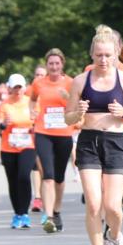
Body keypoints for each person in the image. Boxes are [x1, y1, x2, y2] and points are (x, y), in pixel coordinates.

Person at [66, 25, 123, 245]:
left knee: (112, 206)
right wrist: (77, 112)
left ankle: (116, 235)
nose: (103, 60)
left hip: (117, 142)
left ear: (117, 53)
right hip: (88, 142)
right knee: (93, 204)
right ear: (92, 54)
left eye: (108, 55)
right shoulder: (80, 80)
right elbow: (67, 118)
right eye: (99, 55)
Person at [30, 48, 76, 233]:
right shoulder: (38, 83)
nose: (54, 66)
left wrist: (68, 99)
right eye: (51, 64)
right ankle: (48, 217)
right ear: (47, 65)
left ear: (62, 64)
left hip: (64, 133)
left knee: (59, 178)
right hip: (43, 132)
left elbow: (76, 104)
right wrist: (32, 111)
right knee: (47, 175)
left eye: (57, 63)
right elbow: (32, 100)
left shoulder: (71, 83)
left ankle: (57, 211)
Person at [0, 73, 36, 229]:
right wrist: (3, 125)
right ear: (9, 88)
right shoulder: (5, 105)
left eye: (20, 87)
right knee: (13, 181)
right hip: (8, 147)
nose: (18, 90)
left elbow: (39, 119)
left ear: (24, 87)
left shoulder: (31, 103)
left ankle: (25, 214)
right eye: (15, 87)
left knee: (24, 176)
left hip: (28, 146)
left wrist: (34, 127)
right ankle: (17, 214)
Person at [29, 64, 49, 212]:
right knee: (36, 165)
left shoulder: (51, 91)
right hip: (34, 132)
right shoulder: (29, 92)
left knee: (46, 168)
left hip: (51, 133)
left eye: (42, 75)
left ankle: (46, 195)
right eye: (37, 75)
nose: (39, 78)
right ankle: (37, 197)